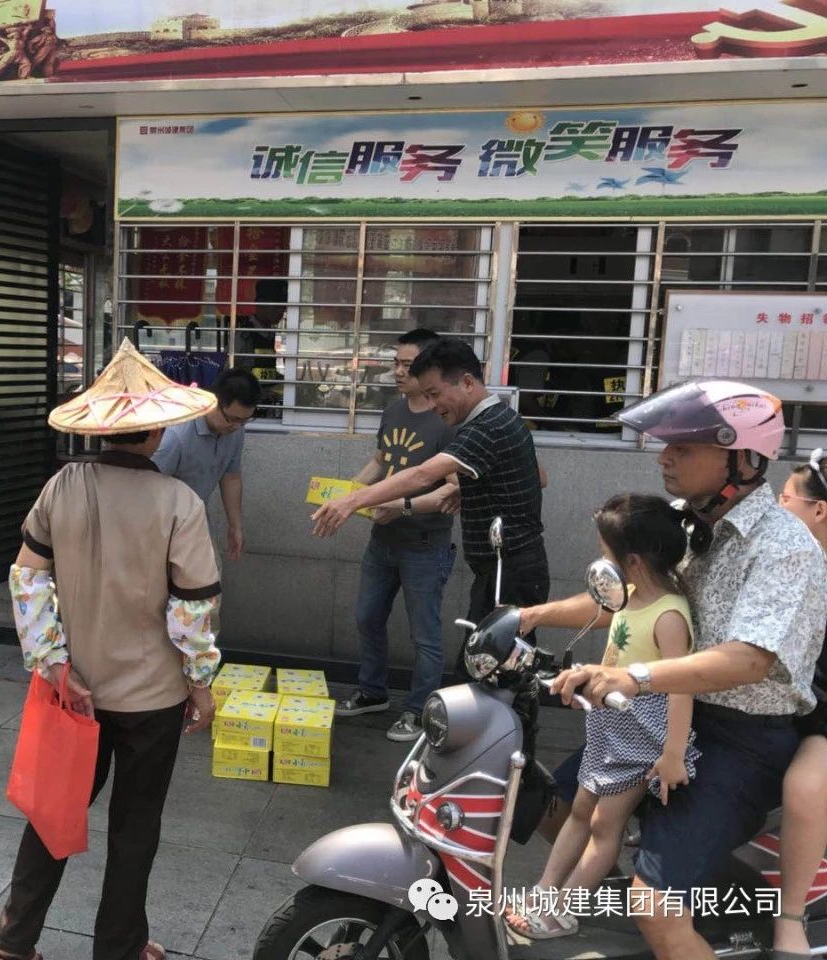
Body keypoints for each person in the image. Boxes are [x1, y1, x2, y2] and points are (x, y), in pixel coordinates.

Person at [541, 380, 827, 960]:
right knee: (553, 805)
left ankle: (667, 917)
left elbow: (751, 658)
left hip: (736, 738)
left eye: (686, 447)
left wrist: (636, 676)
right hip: (659, 716)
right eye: (666, 444)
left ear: (743, 459)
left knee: (655, 908)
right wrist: (526, 615)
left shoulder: (783, 546)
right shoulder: (683, 524)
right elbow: (625, 593)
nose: (665, 457)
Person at [0, 339, 222, 960]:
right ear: (156, 434)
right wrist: (202, 683)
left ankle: (14, 945)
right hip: (152, 699)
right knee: (135, 828)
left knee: (51, 817)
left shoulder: (61, 486)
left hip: (73, 693)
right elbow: (192, 610)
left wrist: (53, 662)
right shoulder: (180, 502)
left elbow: (27, 580)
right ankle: (118, 948)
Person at [511, 494, 697, 939]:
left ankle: (563, 910)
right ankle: (545, 893)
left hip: (643, 735)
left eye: (605, 551)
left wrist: (672, 754)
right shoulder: (629, 596)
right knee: (580, 811)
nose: (600, 559)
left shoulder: (670, 615)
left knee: (603, 824)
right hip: (611, 727)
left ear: (631, 561)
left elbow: (682, 685)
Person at [312, 338, 548, 670]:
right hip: (500, 567)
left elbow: (423, 475)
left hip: (508, 569)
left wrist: (351, 501)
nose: (433, 405)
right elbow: (535, 476)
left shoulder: (487, 426)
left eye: (435, 394)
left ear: (467, 382)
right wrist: (467, 489)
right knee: (493, 665)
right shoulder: (497, 419)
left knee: (495, 668)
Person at [333, 328, 460, 741]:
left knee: (425, 635)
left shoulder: (446, 418)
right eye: (396, 363)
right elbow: (380, 461)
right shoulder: (392, 411)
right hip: (382, 541)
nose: (398, 372)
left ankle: (419, 709)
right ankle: (373, 692)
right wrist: (344, 495)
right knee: (367, 617)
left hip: (425, 545)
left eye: (408, 365)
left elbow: (453, 487)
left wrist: (400, 507)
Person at [771, 449, 827, 957]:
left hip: (821, 713)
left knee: (806, 784)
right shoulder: (781, 559)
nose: (774, 507)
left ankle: (790, 917)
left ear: (819, 510)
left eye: (784, 499)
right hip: (779, 698)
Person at [151, 368, 260, 561]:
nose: (236, 426)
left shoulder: (236, 430)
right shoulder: (176, 436)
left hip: (197, 518)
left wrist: (235, 525)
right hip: (162, 525)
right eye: (232, 419)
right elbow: (148, 489)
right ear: (213, 402)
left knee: (210, 580)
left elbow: (231, 476)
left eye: (244, 421)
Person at [233, 278, 285, 412]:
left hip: (266, 404)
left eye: (283, 307)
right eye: (277, 306)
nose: (281, 312)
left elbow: (266, 371)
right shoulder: (245, 335)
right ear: (261, 304)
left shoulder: (269, 335)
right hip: (248, 407)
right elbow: (231, 375)